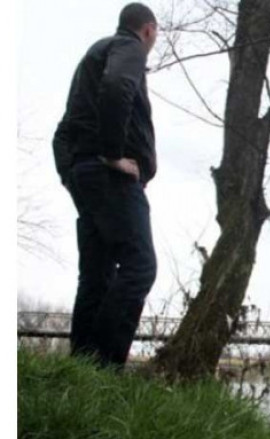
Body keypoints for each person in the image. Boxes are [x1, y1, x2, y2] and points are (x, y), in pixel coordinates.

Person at [52, 3, 159, 369]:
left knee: (97, 272)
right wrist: (113, 155)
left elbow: (63, 129)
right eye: (154, 37)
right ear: (147, 30)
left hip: (85, 174)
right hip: (110, 176)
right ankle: (104, 367)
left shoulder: (90, 60)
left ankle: (80, 369)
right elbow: (118, 86)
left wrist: (71, 173)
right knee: (140, 266)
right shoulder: (127, 47)